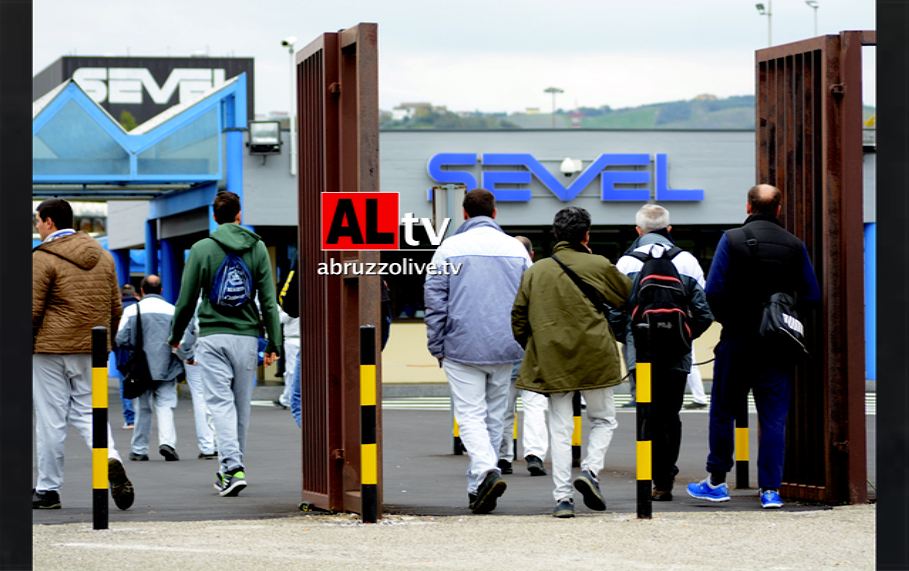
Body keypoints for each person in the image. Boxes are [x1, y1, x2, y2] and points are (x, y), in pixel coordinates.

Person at [687, 184, 820, 509]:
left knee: (723, 411)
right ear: (778, 208)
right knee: (773, 417)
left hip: (736, 341)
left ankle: (717, 482)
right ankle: (770, 490)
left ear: (748, 206)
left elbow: (713, 290)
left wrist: (730, 320)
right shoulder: (794, 245)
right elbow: (812, 295)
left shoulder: (732, 240)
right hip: (777, 345)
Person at [512, 207, 631, 518]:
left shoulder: (536, 271)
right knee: (604, 419)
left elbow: (518, 320)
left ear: (556, 235)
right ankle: (590, 471)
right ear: (586, 235)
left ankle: (563, 498)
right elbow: (627, 297)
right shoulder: (599, 264)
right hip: (596, 355)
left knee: (560, 429)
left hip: (553, 359)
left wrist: (538, 347)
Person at [424, 188, 531, 514]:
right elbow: (530, 297)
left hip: (461, 345)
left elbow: (435, 297)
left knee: (469, 414)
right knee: (496, 414)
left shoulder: (448, 249)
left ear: (465, 213)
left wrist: (436, 342)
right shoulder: (517, 250)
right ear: (494, 213)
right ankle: (478, 488)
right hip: (506, 346)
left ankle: (486, 469)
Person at [169, 191, 282, 497]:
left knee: (219, 404)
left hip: (212, 337)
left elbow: (186, 299)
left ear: (214, 217)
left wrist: (176, 335)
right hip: (246, 338)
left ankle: (231, 468)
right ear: (239, 215)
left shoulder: (202, 249)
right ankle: (232, 468)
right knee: (240, 407)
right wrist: (274, 342)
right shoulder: (257, 247)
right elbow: (269, 302)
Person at [32, 198, 134, 510]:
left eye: (37, 221)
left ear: (49, 222)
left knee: (51, 419)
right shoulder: (104, 258)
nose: (36, 227)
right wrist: (110, 344)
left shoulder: (42, 257)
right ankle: (111, 459)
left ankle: (48, 490)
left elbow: (32, 308)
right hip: (94, 347)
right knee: (91, 412)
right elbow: (115, 307)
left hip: (50, 349)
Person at [616, 204, 713, 501]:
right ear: (670, 230)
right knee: (670, 415)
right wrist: (683, 337)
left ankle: (647, 478)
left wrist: (631, 340)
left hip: (641, 357)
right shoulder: (687, 262)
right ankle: (665, 479)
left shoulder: (626, 263)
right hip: (676, 356)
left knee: (646, 413)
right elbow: (704, 312)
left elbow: (614, 312)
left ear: (638, 230)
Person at [116, 275, 184, 462]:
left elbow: (121, 339)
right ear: (161, 290)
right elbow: (181, 339)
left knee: (143, 408)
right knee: (165, 406)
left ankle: (139, 449)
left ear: (142, 291)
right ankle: (167, 444)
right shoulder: (173, 310)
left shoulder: (132, 310)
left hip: (141, 367)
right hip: (167, 366)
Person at [497, 235, 549, 477]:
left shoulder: (498, 276)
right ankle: (534, 455)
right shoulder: (537, 277)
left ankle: (503, 457)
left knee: (503, 407)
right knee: (535, 407)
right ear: (532, 255)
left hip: (504, 351)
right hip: (533, 353)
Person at [175, 307, 218, 459]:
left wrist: (186, 353)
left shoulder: (197, 299)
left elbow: (189, 330)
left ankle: (207, 446)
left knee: (200, 399)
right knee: (221, 397)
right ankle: (221, 442)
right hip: (222, 353)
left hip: (198, 353)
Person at [114, 283, 140, 429]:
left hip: (122, 352)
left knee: (125, 384)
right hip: (139, 351)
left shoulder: (116, 310)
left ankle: (130, 419)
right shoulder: (140, 307)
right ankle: (141, 416)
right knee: (142, 384)